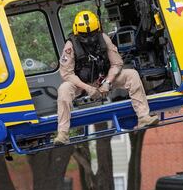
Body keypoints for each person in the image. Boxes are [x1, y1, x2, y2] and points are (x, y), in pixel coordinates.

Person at [53, 10, 159, 145]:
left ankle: (143, 117)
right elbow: (66, 73)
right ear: (76, 32)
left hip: (103, 79)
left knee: (132, 74)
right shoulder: (70, 46)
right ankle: (63, 133)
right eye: (85, 35)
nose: (89, 38)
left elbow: (117, 63)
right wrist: (87, 88)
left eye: (92, 33)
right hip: (81, 84)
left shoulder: (104, 39)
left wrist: (107, 82)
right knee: (64, 89)